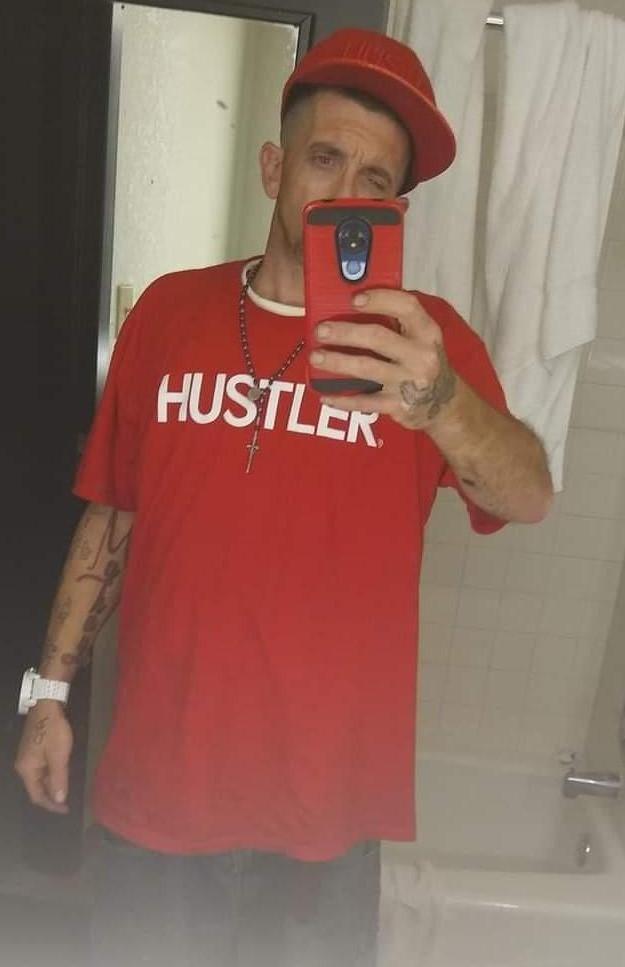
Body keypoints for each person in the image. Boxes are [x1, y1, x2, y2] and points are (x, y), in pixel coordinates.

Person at [15, 27, 553, 967]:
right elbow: (112, 516)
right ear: (273, 166)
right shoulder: (168, 313)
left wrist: (440, 401)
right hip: (162, 789)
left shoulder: (429, 345)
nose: (346, 194)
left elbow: (529, 493)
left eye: (376, 180)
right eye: (325, 158)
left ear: (395, 210)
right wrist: (49, 692)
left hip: (324, 817)